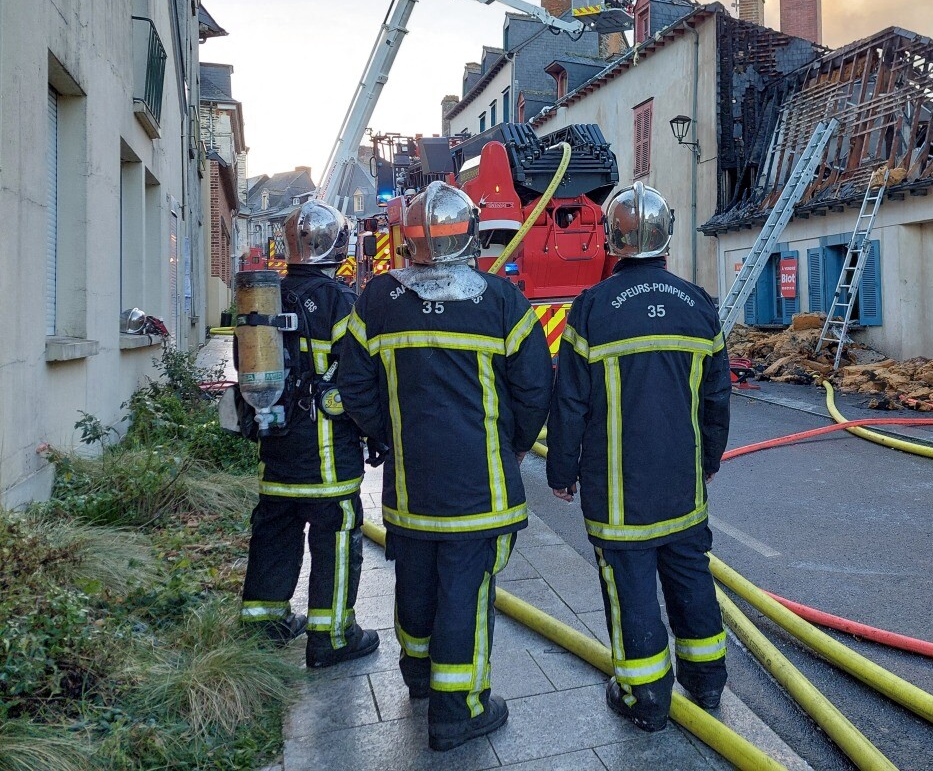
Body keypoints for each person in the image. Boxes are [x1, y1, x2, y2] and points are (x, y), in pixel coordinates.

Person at [336, 182, 552, 752]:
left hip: (410, 489)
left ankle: (419, 679)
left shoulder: (379, 300)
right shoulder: (501, 301)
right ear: (471, 233)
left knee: (416, 581)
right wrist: (514, 445)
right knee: (465, 590)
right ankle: (459, 711)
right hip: (481, 489)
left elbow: (354, 385)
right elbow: (535, 389)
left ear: (410, 240)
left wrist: (390, 434)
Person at [547, 182, 731, 733]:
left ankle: (645, 698)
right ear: (667, 238)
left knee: (630, 590)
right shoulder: (699, 305)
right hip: (683, 485)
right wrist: (711, 458)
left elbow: (570, 402)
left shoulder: (592, 309)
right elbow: (716, 397)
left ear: (611, 239)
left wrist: (561, 470)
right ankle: (707, 682)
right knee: (691, 578)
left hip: (618, 492)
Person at [236, 199, 380, 668]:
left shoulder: (264, 297)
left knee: (275, 529)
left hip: (274, 444)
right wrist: (377, 432)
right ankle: (332, 636)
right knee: (335, 535)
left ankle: (263, 623)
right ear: (336, 246)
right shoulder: (342, 302)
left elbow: (247, 366)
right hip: (326, 455)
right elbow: (360, 379)